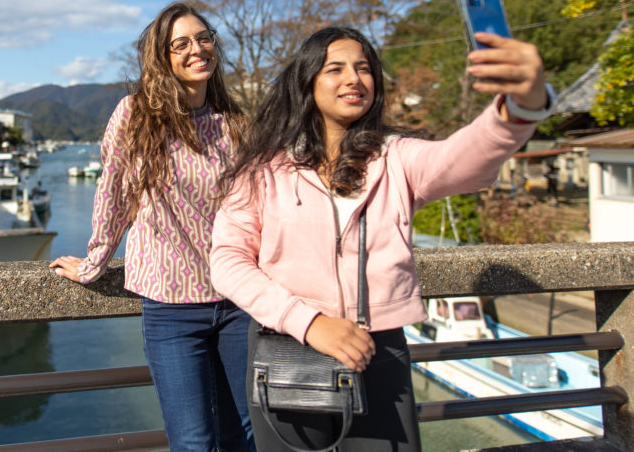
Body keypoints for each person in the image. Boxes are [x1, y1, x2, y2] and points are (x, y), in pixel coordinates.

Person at [210, 27, 552, 451]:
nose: (354, 78)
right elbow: (227, 261)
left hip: (378, 351)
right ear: (307, 83)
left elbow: (463, 157)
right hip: (287, 351)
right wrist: (310, 323)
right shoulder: (262, 169)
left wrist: (519, 107)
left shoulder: (398, 157)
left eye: (364, 68)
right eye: (335, 69)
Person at [50, 0, 255, 452]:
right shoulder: (136, 113)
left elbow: (255, 210)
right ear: (161, 59)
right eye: (179, 44)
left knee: (244, 435)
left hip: (238, 301)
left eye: (203, 39)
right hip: (172, 307)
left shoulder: (235, 124)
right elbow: (114, 194)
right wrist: (93, 263)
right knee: (193, 442)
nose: (196, 49)